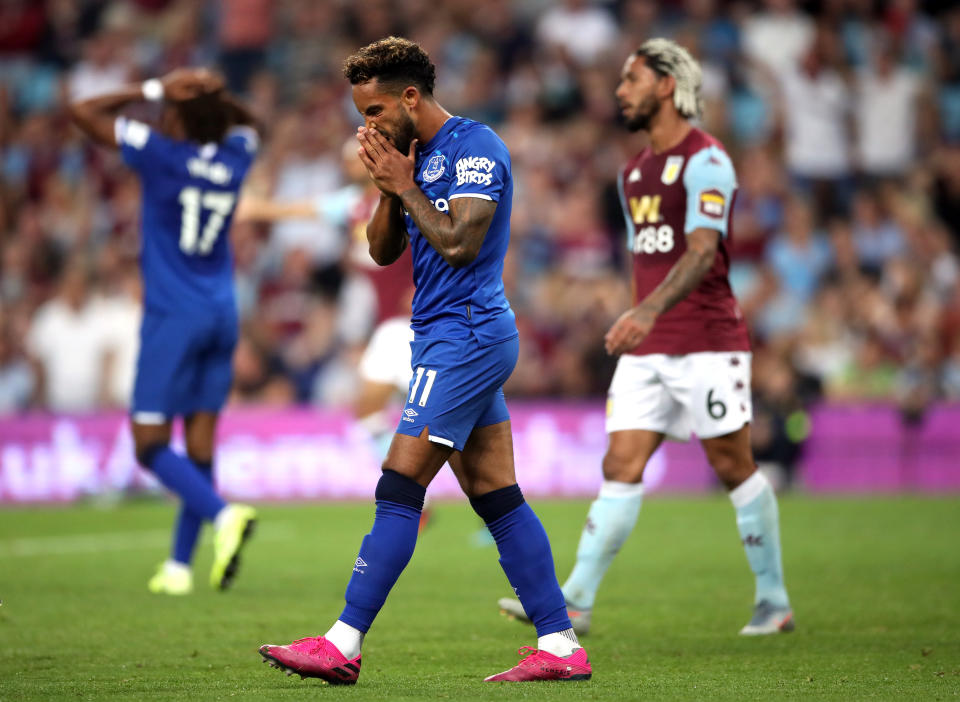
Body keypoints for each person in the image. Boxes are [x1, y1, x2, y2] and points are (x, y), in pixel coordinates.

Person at [258, 37, 591, 684]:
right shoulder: (410, 158)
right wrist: (389, 186)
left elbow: (462, 243)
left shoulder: (476, 147)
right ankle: (559, 644)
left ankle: (343, 641)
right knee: (497, 496)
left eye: (376, 110)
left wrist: (406, 184)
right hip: (443, 335)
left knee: (399, 485)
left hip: (467, 334)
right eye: (362, 113)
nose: (369, 125)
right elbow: (384, 252)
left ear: (412, 96)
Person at [497, 38, 794, 637]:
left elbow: (704, 253)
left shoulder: (708, 160)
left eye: (631, 79)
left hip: (708, 341)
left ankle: (773, 598)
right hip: (648, 344)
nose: (619, 91)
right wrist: (632, 310)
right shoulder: (632, 173)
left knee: (733, 464)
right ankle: (575, 598)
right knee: (621, 462)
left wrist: (649, 311)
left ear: (665, 84)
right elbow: (647, 259)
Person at [68, 68, 260, 595]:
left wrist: (155, 88)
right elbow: (250, 122)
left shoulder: (159, 153)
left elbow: (83, 112)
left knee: (149, 444)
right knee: (198, 446)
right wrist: (214, 94)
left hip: (173, 317)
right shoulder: (237, 153)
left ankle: (224, 517)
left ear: (176, 117)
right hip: (222, 312)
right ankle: (179, 567)